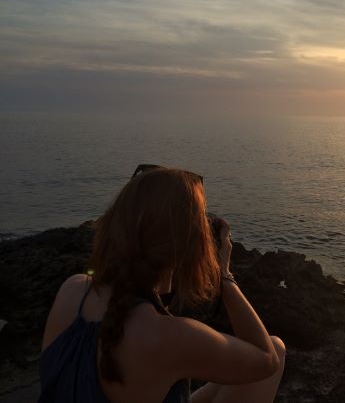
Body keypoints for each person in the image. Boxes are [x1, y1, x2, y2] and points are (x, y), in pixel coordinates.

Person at [39, 165, 286, 403]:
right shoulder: (170, 336)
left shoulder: (73, 290)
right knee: (275, 348)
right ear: (188, 245)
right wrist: (224, 275)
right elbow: (267, 360)